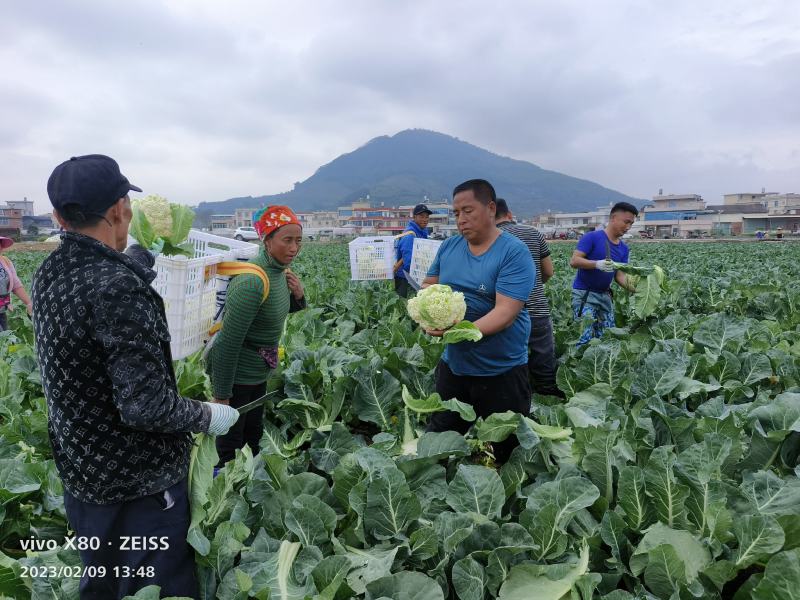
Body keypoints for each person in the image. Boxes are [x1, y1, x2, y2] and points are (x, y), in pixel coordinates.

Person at [31, 154, 239, 599]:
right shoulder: (117, 287)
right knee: (153, 586)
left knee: (104, 580)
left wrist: (145, 258)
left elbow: (99, 297)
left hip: (83, 474)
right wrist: (209, 416)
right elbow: (146, 406)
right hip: (137, 484)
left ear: (57, 216)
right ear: (117, 211)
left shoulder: (49, 273)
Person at [422, 179, 535, 462]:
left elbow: (506, 313)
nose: (461, 219)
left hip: (502, 371)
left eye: (467, 210)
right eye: (456, 212)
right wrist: (426, 316)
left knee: (506, 451)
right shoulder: (449, 247)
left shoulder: (514, 252)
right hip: (455, 368)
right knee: (439, 441)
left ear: (491, 208)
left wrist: (457, 331)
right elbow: (428, 285)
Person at [211, 205, 306, 467]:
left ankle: (250, 490)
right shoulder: (252, 282)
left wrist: (299, 297)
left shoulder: (279, 273)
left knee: (253, 436)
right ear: (266, 240)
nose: (294, 248)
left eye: (298, 240)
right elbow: (227, 344)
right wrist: (221, 395)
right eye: (286, 240)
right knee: (230, 446)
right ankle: (225, 497)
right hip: (237, 376)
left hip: (259, 371)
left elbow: (273, 315)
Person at [494, 199, 562, 398]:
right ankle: (549, 404)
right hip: (536, 309)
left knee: (511, 363)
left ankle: (520, 404)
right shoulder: (533, 232)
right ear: (510, 214)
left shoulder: (492, 238)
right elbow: (548, 271)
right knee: (543, 359)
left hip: (504, 314)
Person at [569, 201, 638, 345]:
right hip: (585, 295)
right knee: (583, 338)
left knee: (608, 339)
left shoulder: (624, 249)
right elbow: (574, 261)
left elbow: (619, 275)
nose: (628, 227)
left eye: (631, 223)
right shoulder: (592, 237)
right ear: (613, 218)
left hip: (605, 297)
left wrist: (638, 290)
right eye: (626, 222)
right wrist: (596, 264)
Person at [393, 203, 432, 297]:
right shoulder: (410, 235)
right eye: (421, 216)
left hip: (414, 276)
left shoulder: (422, 232)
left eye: (427, 217)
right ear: (414, 217)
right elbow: (408, 263)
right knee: (404, 307)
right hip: (405, 278)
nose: (425, 220)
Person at [0, 236, 32, 330]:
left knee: (4, 340)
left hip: (2, 311)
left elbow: (16, 285)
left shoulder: (5, 261)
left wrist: (29, 303)